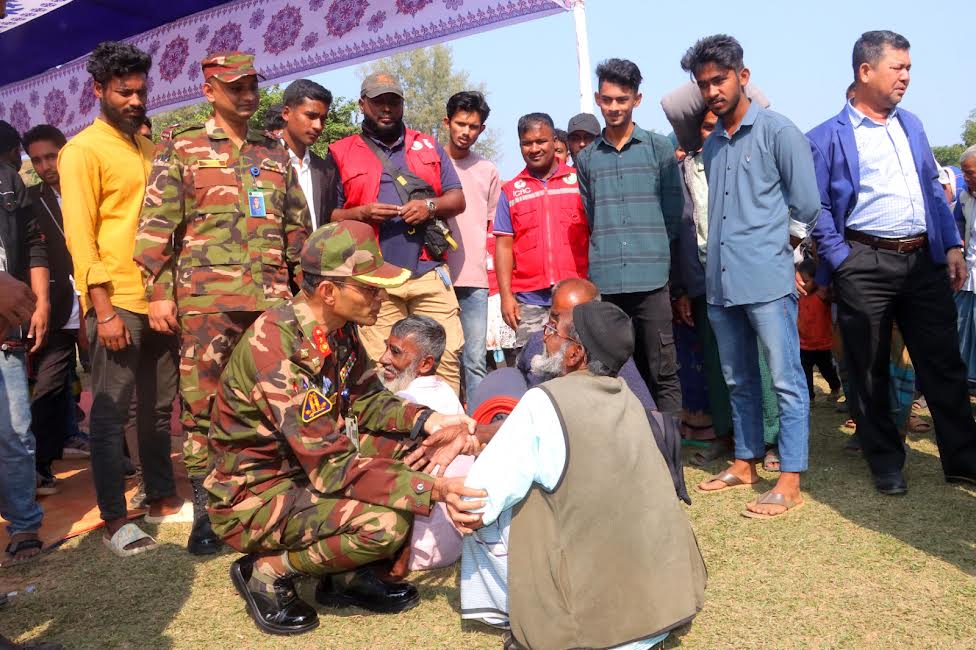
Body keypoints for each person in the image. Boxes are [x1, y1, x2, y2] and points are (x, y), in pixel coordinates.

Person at [205, 221, 482, 635]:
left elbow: (368, 398)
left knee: (411, 449)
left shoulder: (337, 329)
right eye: (369, 288)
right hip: (257, 495)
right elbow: (332, 467)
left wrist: (429, 420)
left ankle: (342, 576)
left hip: (302, 470)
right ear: (330, 292)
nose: (382, 296)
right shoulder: (279, 352)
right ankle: (265, 571)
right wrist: (434, 490)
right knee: (385, 525)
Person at [134, 51, 311, 554]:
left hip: (271, 302)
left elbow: (296, 229)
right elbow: (154, 232)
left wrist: (305, 291)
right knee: (202, 407)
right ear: (210, 91)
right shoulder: (182, 147)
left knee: (275, 401)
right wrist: (158, 295)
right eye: (236, 86)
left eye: (253, 84)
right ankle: (209, 512)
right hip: (205, 304)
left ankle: (272, 498)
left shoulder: (274, 153)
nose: (248, 94)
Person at [457, 300, 706, 650]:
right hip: (663, 609)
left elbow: (475, 497)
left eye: (552, 331)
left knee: (491, 506)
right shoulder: (629, 398)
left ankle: (515, 613)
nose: (545, 337)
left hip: (592, 629)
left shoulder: (544, 400)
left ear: (575, 354)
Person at [807, 30, 976, 493]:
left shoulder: (912, 126)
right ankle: (885, 460)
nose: (906, 77)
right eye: (897, 68)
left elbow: (931, 192)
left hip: (922, 260)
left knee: (943, 363)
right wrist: (842, 258)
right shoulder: (825, 138)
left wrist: (951, 247)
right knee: (867, 367)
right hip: (864, 262)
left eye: (909, 68)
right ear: (865, 71)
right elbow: (815, 207)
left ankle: (964, 460)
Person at [682, 35, 820, 518]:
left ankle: (789, 476)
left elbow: (807, 203)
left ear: (743, 76)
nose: (712, 90)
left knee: (785, 380)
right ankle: (744, 461)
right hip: (720, 284)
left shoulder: (778, 131)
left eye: (719, 79)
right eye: (704, 84)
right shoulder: (713, 144)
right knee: (737, 377)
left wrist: (781, 250)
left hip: (766, 280)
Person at [59, 41, 185, 557]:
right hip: (118, 301)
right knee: (110, 413)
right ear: (99, 91)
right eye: (123, 92)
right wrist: (102, 308)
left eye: (140, 91)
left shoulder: (150, 148)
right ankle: (116, 519)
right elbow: (79, 236)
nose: (135, 101)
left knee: (157, 410)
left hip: (160, 298)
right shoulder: (82, 151)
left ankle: (159, 496)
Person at [329, 72, 467, 394]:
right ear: (363, 105)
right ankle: (392, 438)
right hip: (373, 279)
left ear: (402, 104)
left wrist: (429, 207)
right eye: (378, 102)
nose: (386, 108)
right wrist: (361, 213)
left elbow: (457, 199)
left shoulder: (427, 145)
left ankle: (445, 430)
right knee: (383, 366)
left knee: (444, 357)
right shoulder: (340, 152)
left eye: (393, 101)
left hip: (427, 271)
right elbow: (329, 215)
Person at [576, 58, 684, 415]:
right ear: (597, 98)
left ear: (637, 100)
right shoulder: (588, 158)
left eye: (622, 99)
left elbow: (673, 213)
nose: (614, 107)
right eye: (607, 100)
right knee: (611, 372)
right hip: (607, 282)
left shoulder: (658, 149)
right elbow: (593, 214)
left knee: (662, 369)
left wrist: (649, 248)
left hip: (652, 279)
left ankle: (669, 456)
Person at [377, 315, 474, 571]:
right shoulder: (446, 390)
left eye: (395, 352)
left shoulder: (405, 399)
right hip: (452, 546)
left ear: (425, 363)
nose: (383, 358)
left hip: (417, 551)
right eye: (387, 347)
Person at [494, 113, 589, 350]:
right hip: (529, 301)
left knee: (578, 363)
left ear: (554, 141)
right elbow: (504, 247)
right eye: (527, 143)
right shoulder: (510, 191)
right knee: (532, 366)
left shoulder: (579, 182)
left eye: (541, 141)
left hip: (576, 297)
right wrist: (506, 296)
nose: (534, 148)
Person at [23, 124, 82, 495]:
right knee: (48, 387)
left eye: (51, 156)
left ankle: (125, 457)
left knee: (113, 387)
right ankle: (41, 465)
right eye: (37, 159)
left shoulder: (90, 188)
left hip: (102, 301)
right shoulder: (29, 200)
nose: (46, 165)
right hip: (57, 307)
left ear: (66, 151)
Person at [0, 120, 48, 568]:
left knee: (14, 433)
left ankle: (23, 521)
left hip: (5, 335)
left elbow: (34, 248)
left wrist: (37, 303)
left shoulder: (10, 183)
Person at [442, 91, 500, 398]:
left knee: (475, 361)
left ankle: (477, 427)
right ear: (447, 122)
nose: (466, 132)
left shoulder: (488, 171)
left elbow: (495, 229)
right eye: (460, 124)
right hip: (436, 278)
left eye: (473, 126)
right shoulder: (430, 162)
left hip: (475, 281)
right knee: (441, 358)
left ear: (481, 130)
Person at [280, 79, 338, 229]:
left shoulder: (325, 170)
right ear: (286, 113)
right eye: (311, 116)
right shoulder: (261, 160)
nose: (318, 126)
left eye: (323, 119)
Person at [796, 259, 842, 401]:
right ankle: (808, 396)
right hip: (804, 343)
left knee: (827, 369)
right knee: (805, 373)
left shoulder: (822, 295)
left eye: (805, 281)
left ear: (815, 280)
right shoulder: (800, 296)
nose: (802, 284)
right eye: (799, 281)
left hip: (822, 344)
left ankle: (835, 386)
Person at [955, 146, 976, 386]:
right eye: (964, 173)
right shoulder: (964, 198)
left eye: (971, 173)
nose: (967, 178)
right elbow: (957, 229)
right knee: (960, 337)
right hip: (967, 280)